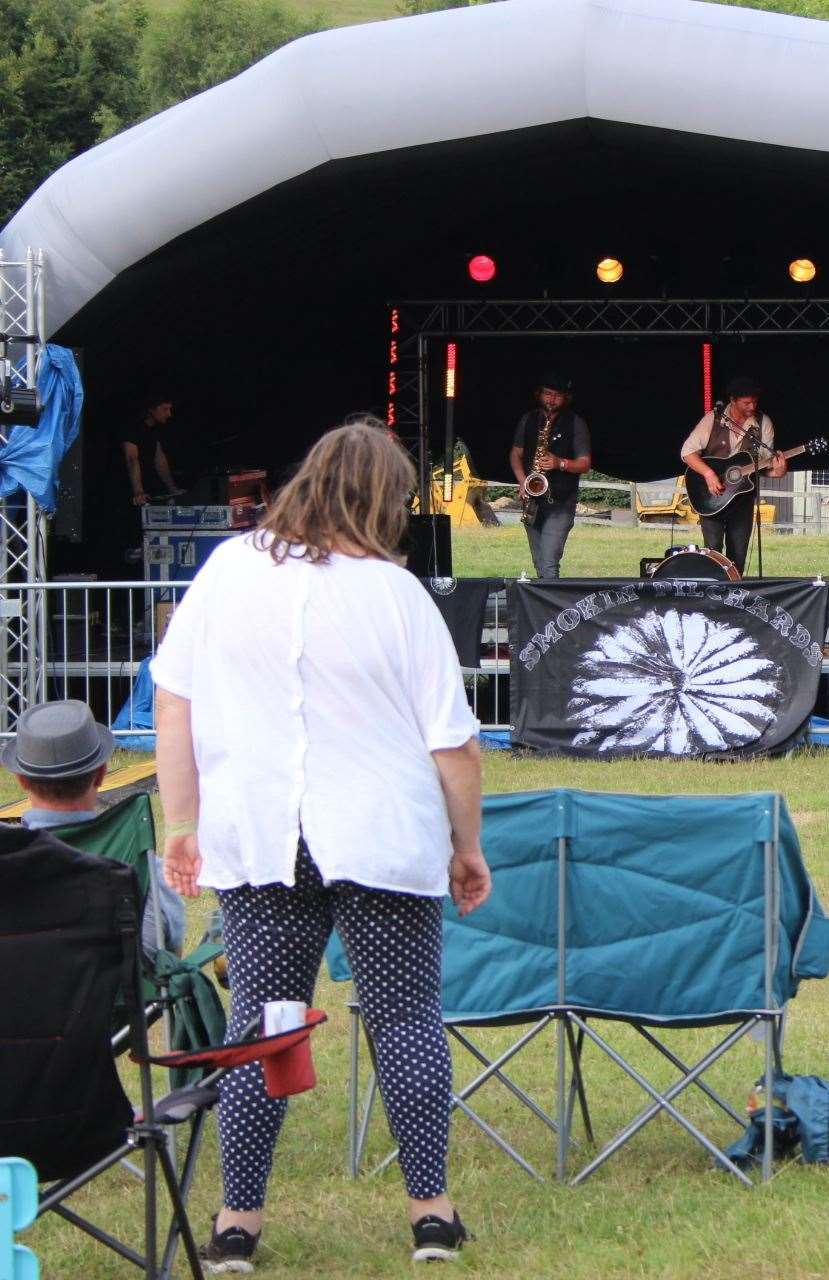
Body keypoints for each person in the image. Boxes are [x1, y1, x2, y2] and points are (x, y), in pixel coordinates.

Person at [151, 421, 491, 1270]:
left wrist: (182, 824)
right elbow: (453, 743)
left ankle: (238, 1223)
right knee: (406, 1019)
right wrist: (468, 844)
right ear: (383, 501)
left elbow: (174, 703)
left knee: (263, 1024)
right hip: (378, 835)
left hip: (262, 835)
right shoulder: (396, 594)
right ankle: (432, 1215)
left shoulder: (228, 570)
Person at [1, 698, 185, 961]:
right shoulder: (149, 875)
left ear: (21, 780)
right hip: (120, 1001)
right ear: (101, 773)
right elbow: (168, 963)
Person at [681, 376, 785, 567]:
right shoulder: (714, 419)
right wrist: (709, 474)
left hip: (742, 500)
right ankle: (714, 593)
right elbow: (687, 452)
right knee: (712, 553)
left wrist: (778, 469)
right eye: (746, 403)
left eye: (754, 401)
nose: (752, 406)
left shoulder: (763, 423)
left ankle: (735, 594)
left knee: (738, 555)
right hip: (711, 497)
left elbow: (764, 467)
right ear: (733, 400)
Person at [510, 374, 592, 578]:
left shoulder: (576, 423)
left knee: (548, 563)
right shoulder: (529, 419)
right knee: (539, 563)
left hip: (561, 502)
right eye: (547, 394)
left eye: (557, 395)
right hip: (532, 501)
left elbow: (585, 464)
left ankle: (551, 609)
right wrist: (523, 482)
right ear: (539, 394)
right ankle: (544, 606)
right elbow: (515, 453)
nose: (551, 399)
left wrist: (559, 463)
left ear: (566, 398)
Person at [122, 393, 183, 508]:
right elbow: (131, 459)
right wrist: (138, 491)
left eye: (170, 409)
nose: (169, 414)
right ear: (151, 409)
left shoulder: (155, 430)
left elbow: (160, 461)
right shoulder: (132, 428)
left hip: (148, 491)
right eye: (165, 409)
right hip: (128, 492)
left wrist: (172, 489)